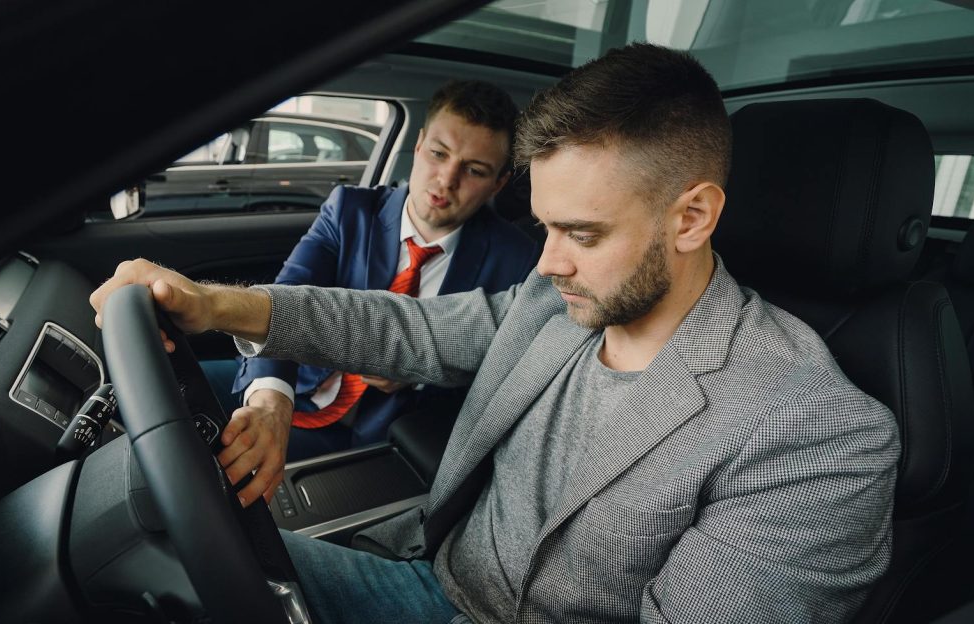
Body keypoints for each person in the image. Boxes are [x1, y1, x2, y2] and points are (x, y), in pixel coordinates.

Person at [90, 43, 899, 623]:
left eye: (581, 234)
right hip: (428, 581)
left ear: (691, 217)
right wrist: (214, 304)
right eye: (542, 225)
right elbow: (408, 327)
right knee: (139, 536)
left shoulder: (818, 436)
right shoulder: (560, 299)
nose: (547, 263)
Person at [231, 80, 538, 460]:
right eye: (439, 154)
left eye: (474, 170)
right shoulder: (349, 211)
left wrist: (420, 374)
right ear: (420, 143)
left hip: (393, 444)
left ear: (498, 184)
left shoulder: (518, 261)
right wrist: (270, 400)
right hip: (297, 393)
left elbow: (502, 383)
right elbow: (285, 295)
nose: (447, 179)